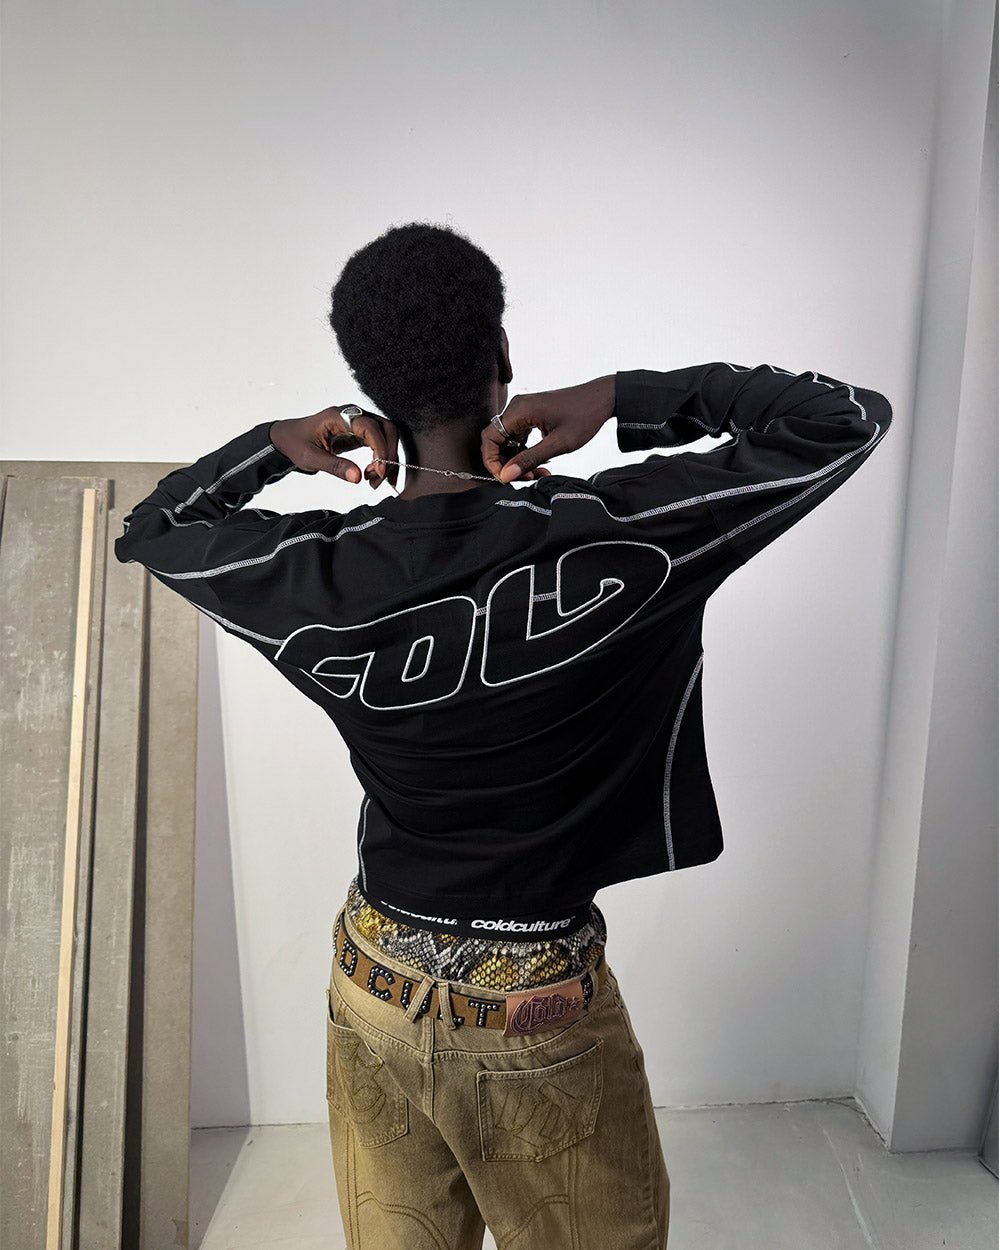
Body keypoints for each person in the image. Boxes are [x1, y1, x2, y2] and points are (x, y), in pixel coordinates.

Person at [114, 221, 893, 1249]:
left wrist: (275, 442)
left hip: (373, 978)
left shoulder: (315, 573)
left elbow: (151, 528)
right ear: (503, 359)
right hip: (535, 1006)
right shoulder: (625, 532)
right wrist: (616, 398)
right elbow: (843, 419)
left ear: (370, 397)